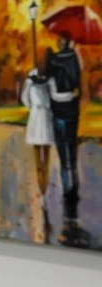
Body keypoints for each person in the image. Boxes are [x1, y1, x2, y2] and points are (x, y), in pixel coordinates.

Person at [46, 36, 85, 243]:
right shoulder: (74, 59)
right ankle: (74, 190)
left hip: (58, 113)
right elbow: (78, 84)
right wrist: (76, 53)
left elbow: (51, 89)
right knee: (72, 152)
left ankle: (66, 187)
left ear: (59, 43)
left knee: (63, 156)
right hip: (72, 112)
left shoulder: (53, 60)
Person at [21, 69, 53, 204]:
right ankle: (42, 190)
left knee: (45, 159)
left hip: (43, 116)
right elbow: (25, 98)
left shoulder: (48, 76)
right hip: (39, 116)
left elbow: (25, 99)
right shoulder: (32, 77)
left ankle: (44, 189)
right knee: (40, 159)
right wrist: (35, 107)